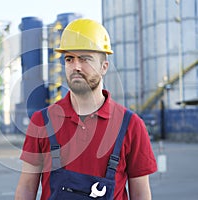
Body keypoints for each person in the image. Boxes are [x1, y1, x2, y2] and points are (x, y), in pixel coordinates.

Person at [15, 18, 157, 200]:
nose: (76, 67)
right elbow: (26, 188)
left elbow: (141, 194)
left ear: (104, 67)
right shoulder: (42, 121)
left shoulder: (130, 125)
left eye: (85, 59)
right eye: (69, 59)